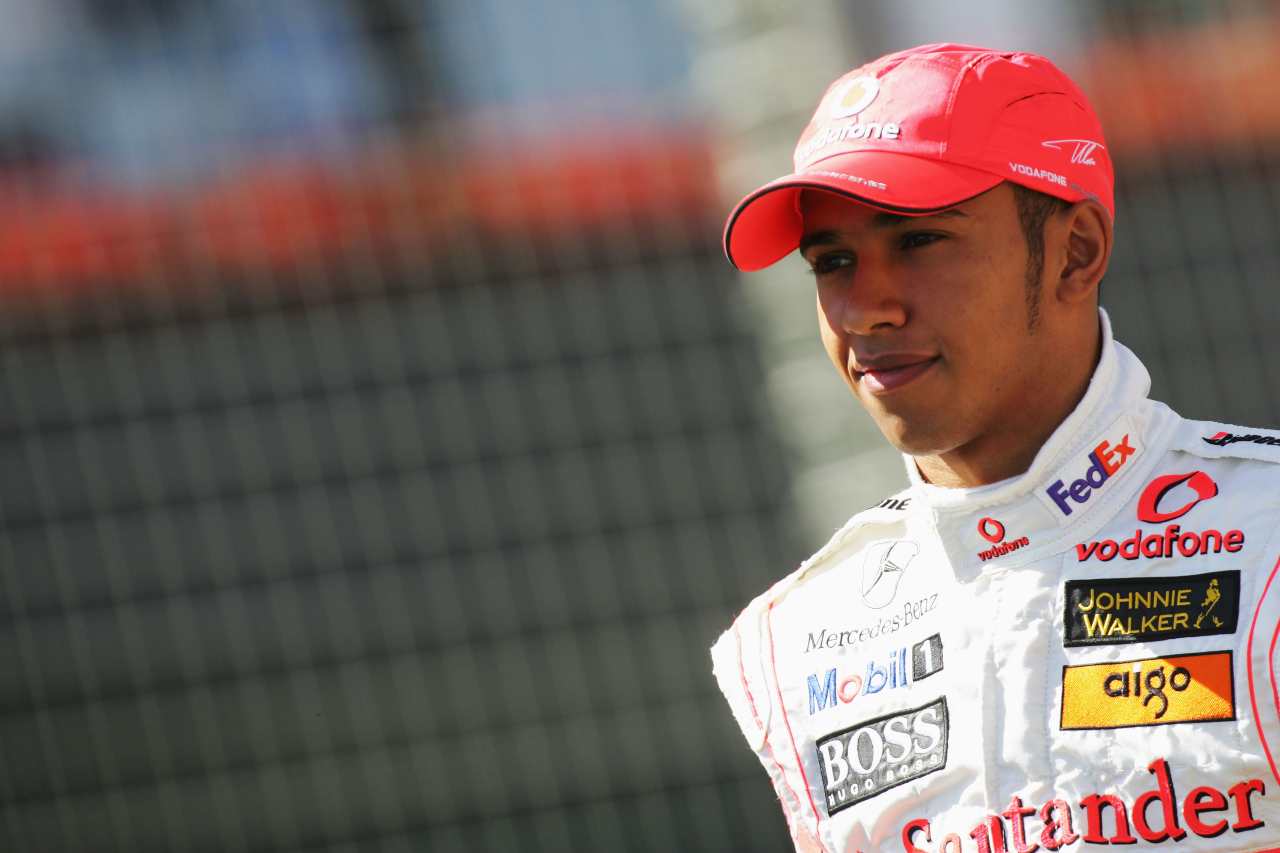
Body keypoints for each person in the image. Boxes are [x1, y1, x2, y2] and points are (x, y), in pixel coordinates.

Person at [710, 43, 1280, 853]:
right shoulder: (793, 639)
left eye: (917, 241)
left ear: (1075, 252)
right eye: (832, 261)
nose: (865, 309)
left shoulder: (1267, 538)